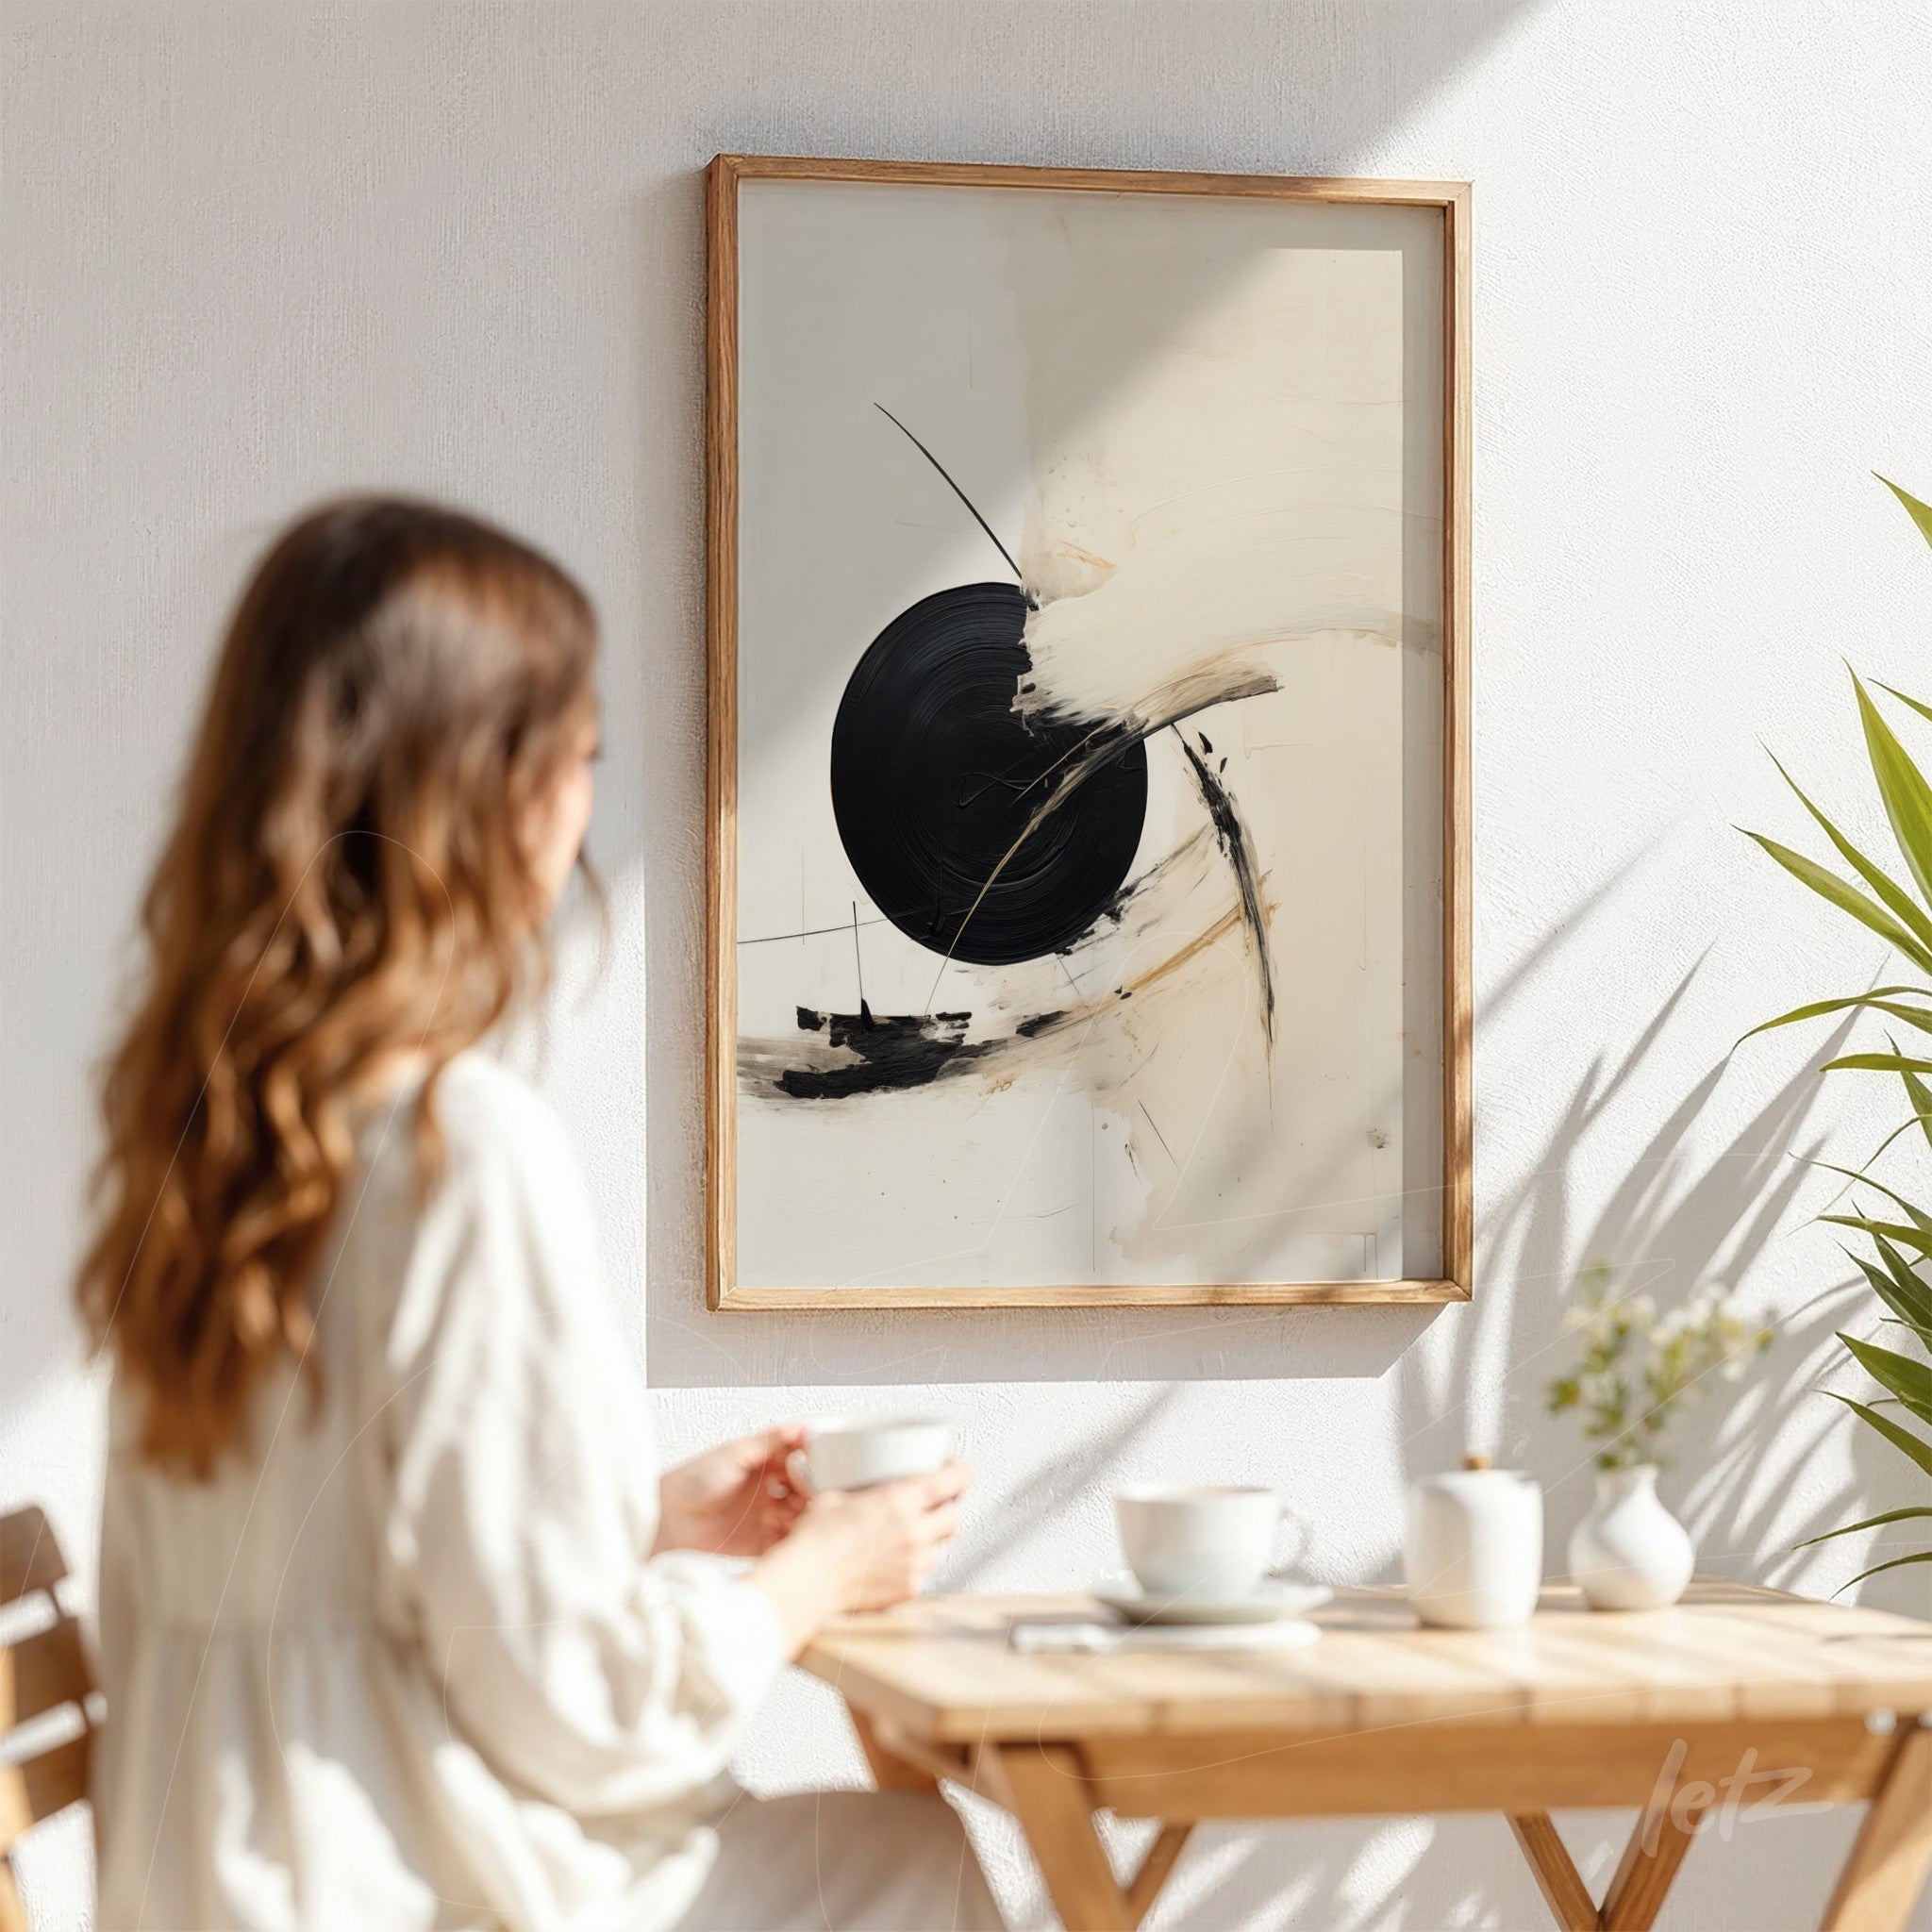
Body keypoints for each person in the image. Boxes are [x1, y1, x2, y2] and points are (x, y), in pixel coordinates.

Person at [76, 498, 1004, 1932]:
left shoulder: (201, 1141)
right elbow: (575, 1703)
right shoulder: (455, 1151)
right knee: (914, 1869)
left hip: (213, 1876)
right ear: (487, 792)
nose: (585, 805)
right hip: (406, 1881)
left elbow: (342, 1576)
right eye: (577, 759)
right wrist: (816, 1575)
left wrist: (634, 1525)